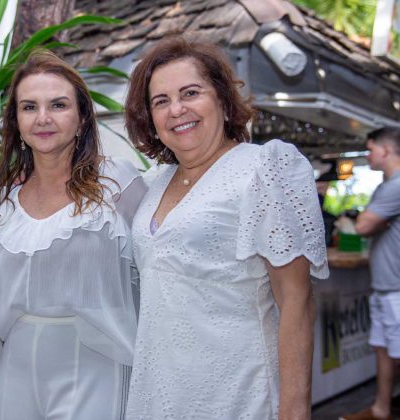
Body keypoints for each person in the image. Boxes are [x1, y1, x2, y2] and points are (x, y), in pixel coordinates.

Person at [123, 37, 329, 419]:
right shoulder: (155, 182)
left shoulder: (265, 169)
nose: (177, 109)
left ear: (220, 96)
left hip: (239, 394)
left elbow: (296, 301)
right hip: (159, 392)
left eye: (191, 93)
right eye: (161, 101)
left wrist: (294, 411)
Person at [0, 49, 146, 420]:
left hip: (96, 365)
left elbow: (156, 279)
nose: (43, 118)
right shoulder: (3, 203)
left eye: (58, 105)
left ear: (81, 118)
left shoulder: (119, 183)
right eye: (29, 107)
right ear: (16, 122)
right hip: (16, 369)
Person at [342, 127, 400, 420]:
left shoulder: (396, 185)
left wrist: (374, 222)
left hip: (397, 287)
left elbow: (364, 225)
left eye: (371, 149)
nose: (367, 155)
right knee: (382, 348)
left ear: (386, 150)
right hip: (385, 284)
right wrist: (378, 222)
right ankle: (381, 410)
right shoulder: (385, 186)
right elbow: (370, 223)